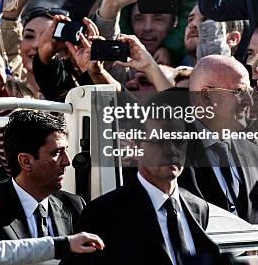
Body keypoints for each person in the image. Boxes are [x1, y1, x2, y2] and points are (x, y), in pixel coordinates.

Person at [64, 110, 220, 264]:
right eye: (159, 141)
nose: (171, 151)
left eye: (178, 141)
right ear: (135, 149)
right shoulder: (104, 213)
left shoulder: (198, 207)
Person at [180, 55, 258, 224]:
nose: (250, 101)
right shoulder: (171, 153)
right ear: (207, 96)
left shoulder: (252, 152)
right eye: (239, 92)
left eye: (250, 92)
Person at [0, 110, 85, 241]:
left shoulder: (74, 206)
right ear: (26, 161)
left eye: (66, 150)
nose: (67, 161)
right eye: (56, 153)